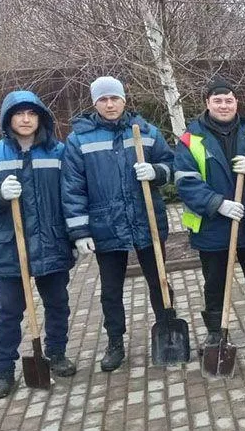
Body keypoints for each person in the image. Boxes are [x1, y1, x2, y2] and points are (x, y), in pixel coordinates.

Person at [62, 76, 175, 372]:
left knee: (159, 280)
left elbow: (171, 164)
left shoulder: (146, 131)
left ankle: (167, 330)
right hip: (105, 225)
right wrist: (80, 231)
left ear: (124, 100)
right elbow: (73, 188)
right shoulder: (79, 140)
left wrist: (157, 171)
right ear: (95, 103)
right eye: (103, 99)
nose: (110, 104)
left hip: (146, 219)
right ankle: (115, 342)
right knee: (111, 289)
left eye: (115, 98)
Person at [175, 77, 245, 352]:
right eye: (217, 100)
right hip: (212, 227)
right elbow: (185, 181)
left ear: (236, 103)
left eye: (229, 100)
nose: (224, 105)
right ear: (207, 103)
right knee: (215, 282)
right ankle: (215, 331)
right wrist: (217, 204)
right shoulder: (191, 139)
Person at [0, 91, 76, 398]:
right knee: (9, 310)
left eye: (32, 113)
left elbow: (71, 195)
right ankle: (2, 368)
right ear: (8, 119)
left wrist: (76, 235)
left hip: (51, 241)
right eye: (19, 114)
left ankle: (56, 353)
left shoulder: (58, 152)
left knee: (58, 304)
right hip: (10, 246)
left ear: (41, 117)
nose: (26, 119)